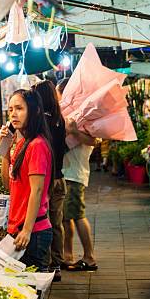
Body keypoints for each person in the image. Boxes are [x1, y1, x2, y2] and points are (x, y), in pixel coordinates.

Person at [0, 89, 54, 270]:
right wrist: (5, 149)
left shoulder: (37, 145)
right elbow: (8, 184)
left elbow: (37, 191)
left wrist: (27, 230)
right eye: (10, 109)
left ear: (35, 110)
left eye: (19, 108)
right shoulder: (23, 143)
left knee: (32, 292)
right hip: (18, 228)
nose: (13, 114)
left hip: (33, 232)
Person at [56, 78, 98, 271]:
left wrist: (73, 131)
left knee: (78, 215)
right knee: (66, 217)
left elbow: (93, 141)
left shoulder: (81, 117)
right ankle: (68, 255)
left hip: (74, 173)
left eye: (59, 95)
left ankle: (89, 258)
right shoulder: (71, 114)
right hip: (68, 172)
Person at [32, 80, 68, 281]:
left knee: (42, 222)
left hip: (45, 180)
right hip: (59, 179)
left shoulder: (41, 122)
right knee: (56, 222)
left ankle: (45, 263)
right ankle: (56, 263)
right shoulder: (59, 119)